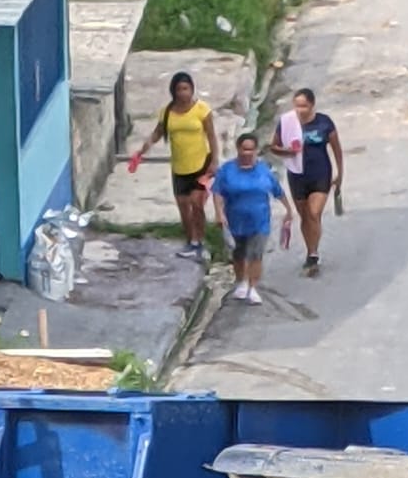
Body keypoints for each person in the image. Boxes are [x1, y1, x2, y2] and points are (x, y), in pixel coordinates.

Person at [129, 71, 219, 262]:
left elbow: (211, 136)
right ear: (173, 91)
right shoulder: (167, 112)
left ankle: (200, 241)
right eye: (179, 89)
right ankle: (191, 242)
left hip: (200, 165)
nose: (183, 93)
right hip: (179, 168)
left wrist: (214, 161)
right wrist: (143, 149)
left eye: (186, 88)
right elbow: (157, 133)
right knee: (184, 208)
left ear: (192, 89)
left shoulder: (202, 110)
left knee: (197, 205)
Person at [211, 132, 293, 306]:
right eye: (244, 149)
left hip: (259, 220)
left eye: (251, 149)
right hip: (235, 219)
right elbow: (217, 192)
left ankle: (253, 287)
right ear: (238, 149)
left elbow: (277, 191)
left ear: (255, 150)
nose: (247, 153)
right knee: (239, 253)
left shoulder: (264, 170)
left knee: (256, 254)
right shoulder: (227, 170)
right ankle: (241, 281)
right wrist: (219, 212)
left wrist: (288, 209)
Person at [270, 88, 342, 274]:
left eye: (303, 105)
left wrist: (340, 173)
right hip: (297, 175)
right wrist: (288, 152)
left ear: (312, 105)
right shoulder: (287, 123)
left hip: (320, 174)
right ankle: (310, 250)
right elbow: (274, 147)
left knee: (313, 212)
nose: (299, 109)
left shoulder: (324, 123)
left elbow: (336, 148)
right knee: (305, 216)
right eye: (296, 105)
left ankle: (313, 253)